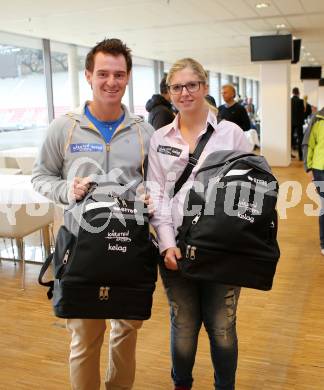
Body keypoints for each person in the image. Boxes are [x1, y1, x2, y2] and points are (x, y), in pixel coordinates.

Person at [32, 38, 154, 390]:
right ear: (88, 75)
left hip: (128, 248)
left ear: (128, 77)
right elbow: (41, 176)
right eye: (103, 73)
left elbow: (158, 184)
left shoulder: (143, 131)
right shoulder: (63, 128)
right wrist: (65, 190)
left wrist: (150, 196)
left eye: (118, 74)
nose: (111, 82)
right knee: (84, 339)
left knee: (125, 334)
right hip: (79, 248)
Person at [147, 58, 252, 390]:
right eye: (177, 87)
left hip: (223, 250)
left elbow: (253, 189)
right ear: (169, 92)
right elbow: (157, 195)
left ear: (204, 87)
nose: (185, 93)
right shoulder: (160, 138)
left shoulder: (231, 135)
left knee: (222, 327)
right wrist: (166, 244)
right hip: (175, 248)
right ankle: (182, 384)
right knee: (184, 324)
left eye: (192, 85)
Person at [302, 107, 324, 255]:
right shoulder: (318, 118)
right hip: (320, 168)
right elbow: (309, 144)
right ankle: (323, 242)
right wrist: (308, 167)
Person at [291, 87, 305, 160]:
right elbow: (303, 112)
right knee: (300, 139)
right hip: (299, 122)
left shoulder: (289, 101)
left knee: (290, 138)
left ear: (292, 92)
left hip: (291, 122)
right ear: (298, 93)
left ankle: (289, 154)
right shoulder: (301, 101)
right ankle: (300, 156)